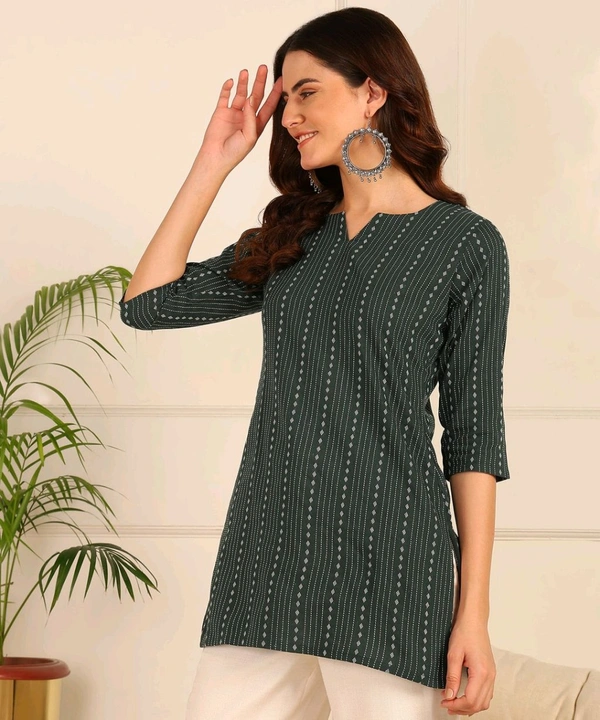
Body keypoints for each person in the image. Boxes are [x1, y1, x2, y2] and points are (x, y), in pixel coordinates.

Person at [119, 7, 510, 719]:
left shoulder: (463, 243)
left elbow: (474, 435)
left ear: (372, 92)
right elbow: (148, 305)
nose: (290, 116)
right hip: (267, 557)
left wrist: (473, 615)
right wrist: (214, 162)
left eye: (307, 92)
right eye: (285, 99)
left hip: (392, 565)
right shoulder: (294, 237)